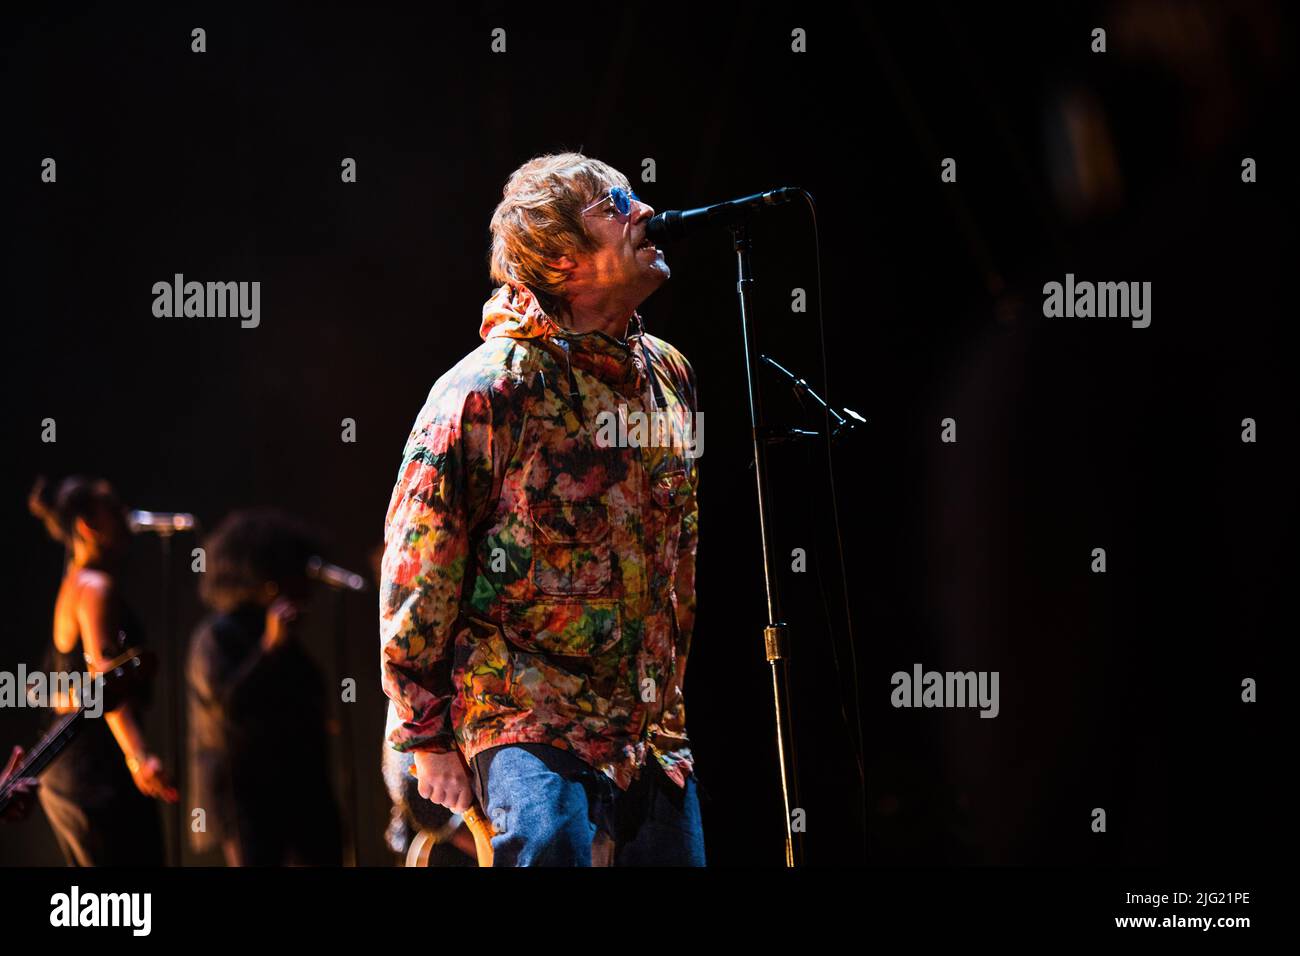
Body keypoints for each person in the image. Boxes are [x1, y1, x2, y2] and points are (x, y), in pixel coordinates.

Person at [380, 152, 706, 866]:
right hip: (525, 714)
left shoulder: (671, 377)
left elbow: (677, 551)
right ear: (560, 260)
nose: (645, 212)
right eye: (615, 204)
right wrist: (425, 735)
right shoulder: (486, 390)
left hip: (648, 732)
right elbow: (419, 568)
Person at [27, 476, 175, 865]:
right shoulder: (95, 588)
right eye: (115, 511)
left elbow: (50, 686)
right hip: (95, 772)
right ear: (87, 525)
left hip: (67, 772)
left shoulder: (73, 584)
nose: (127, 518)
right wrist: (138, 757)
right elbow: (104, 681)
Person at [187, 509, 342, 866]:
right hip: (246, 796)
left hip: (297, 789)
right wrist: (269, 649)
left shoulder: (282, 639)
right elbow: (227, 704)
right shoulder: (217, 635)